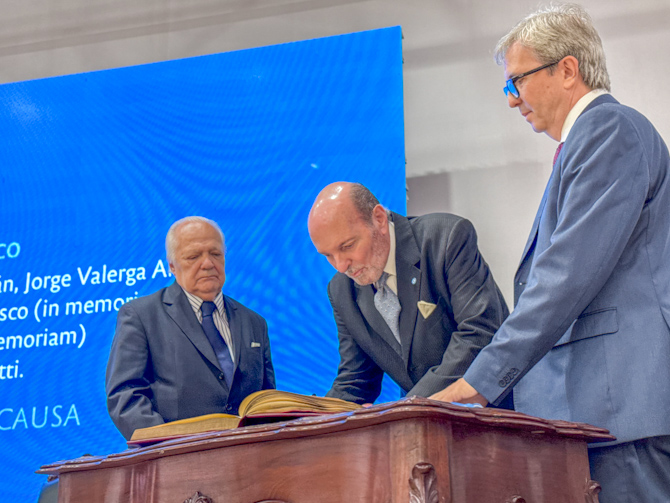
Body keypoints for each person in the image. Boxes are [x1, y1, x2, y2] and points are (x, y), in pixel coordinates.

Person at [431, 4, 670, 501]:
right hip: (600, 413)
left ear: (567, 69)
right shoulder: (591, 139)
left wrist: (479, 383)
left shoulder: (609, 130)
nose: (511, 99)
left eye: (516, 80)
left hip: (622, 410)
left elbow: (565, 276)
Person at [307, 182, 509, 405]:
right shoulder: (341, 290)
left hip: (493, 412)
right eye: (328, 255)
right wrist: (310, 416)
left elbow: (479, 332)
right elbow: (356, 379)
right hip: (421, 419)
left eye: (347, 246)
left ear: (379, 219)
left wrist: (409, 405)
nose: (341, 266)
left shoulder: (445, 239)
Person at [106, 216, 275, 440]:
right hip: (177, 456)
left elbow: (267, 401)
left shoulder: (254, 322)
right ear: (172, 267)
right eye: (193, 256)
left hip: (249, 454)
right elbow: (125, 396)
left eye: (215, 254)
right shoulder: (141, 316)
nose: (207, 264)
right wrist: (167, 446)